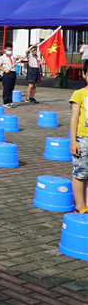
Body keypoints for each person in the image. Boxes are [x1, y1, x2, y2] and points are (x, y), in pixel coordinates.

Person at [68, 64, 88, 213]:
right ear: (85, 75)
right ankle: (80, 206)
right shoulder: (79, 94)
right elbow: (74, 119)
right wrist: (73, 141)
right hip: (83, 139)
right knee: (80, 173)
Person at [0, 42, 17, 107]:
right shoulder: (2, 57)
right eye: (8, 50)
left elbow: (19, 57)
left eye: (11, 50)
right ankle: (6, 102)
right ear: (5, 50)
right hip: (7, 73)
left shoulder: (13, 57)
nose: (9, 51)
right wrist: (4, 70)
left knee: (11, 88)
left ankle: (10, 101)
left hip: (13, 73)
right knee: (7, 88)